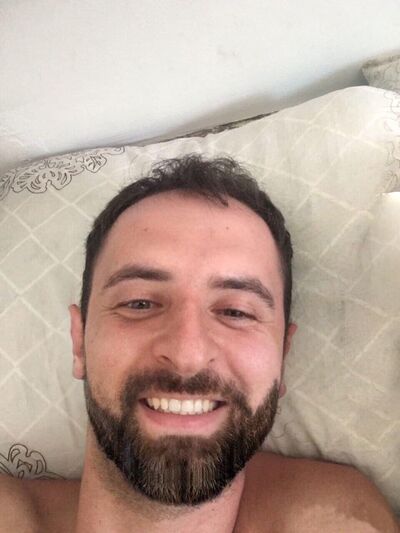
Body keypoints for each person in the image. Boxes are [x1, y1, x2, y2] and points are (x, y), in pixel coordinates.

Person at [1, 155, 398, 533]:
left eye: (236, 312)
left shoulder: (333, 516)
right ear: (79, 342)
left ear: (282, 357)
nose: (187, 355)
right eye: (139, 303)